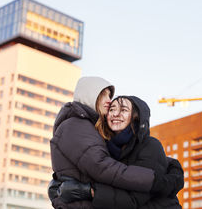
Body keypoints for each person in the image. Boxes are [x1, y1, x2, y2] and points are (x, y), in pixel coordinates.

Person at [49, 77, 183, 208]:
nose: (111, 105)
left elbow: (133, 199)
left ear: (136, 117)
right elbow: (104, 167)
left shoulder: (148, 145)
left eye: (123, 110)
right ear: (91, 95)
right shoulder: (80, 127)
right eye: (112, 108)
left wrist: (90, 192)